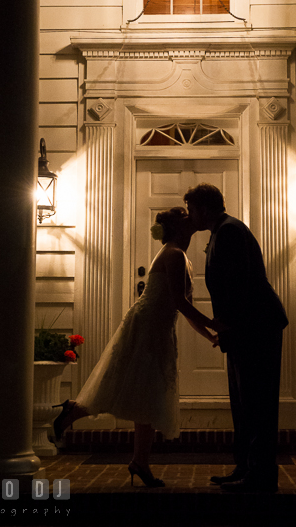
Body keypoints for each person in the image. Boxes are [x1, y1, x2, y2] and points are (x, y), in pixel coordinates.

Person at [53, 207, 218, 488]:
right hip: (147, 329)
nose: (193, 219)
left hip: (158, 329)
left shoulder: (182, 256)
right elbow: (181, 303)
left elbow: (184, 308)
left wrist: (210, 336)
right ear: (179, 227)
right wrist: (216, 326)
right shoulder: (174, 254)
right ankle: (74, 411)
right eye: (187, 218)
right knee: (129, 387)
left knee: (147, 397)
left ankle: (139, 461)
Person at [184, 183, 289, 493]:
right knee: (244, 403)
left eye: (192, 210)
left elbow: (239, 286)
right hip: (245, 328)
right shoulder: (223, 231)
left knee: (257, 402)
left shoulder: (229, 231)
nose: (191, 217)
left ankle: (260, 475)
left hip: (255, 328)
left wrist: (227, 328)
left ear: (204, 209)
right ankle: (245, 467)